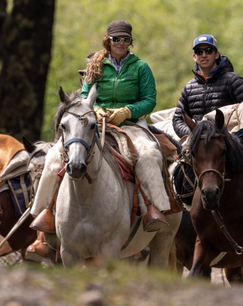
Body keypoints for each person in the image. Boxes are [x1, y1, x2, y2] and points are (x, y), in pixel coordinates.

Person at [30, 20, 170, 235]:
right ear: (108, 40)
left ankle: (154, 208)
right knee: (52, 157)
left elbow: (150, 100)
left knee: (149, 154)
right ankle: (43, 211)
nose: (121, 43)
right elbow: (85, 95)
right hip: (96, 122)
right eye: (116, 39)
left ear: (131, 42)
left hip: (130, 124)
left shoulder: (141, 67)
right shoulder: (95, 64)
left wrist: (126, 111)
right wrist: (95, 109)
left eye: (126, 39)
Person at [172, 34, 243, 139]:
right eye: (199, 51)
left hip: (229, 142)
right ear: (194, 57)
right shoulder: (189, 88)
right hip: (198, 144)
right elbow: (178, 119)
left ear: (216, 55)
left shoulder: (233, 81)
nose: (204, 55)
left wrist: (236, 137)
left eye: (208, 50)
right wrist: (195, 133)